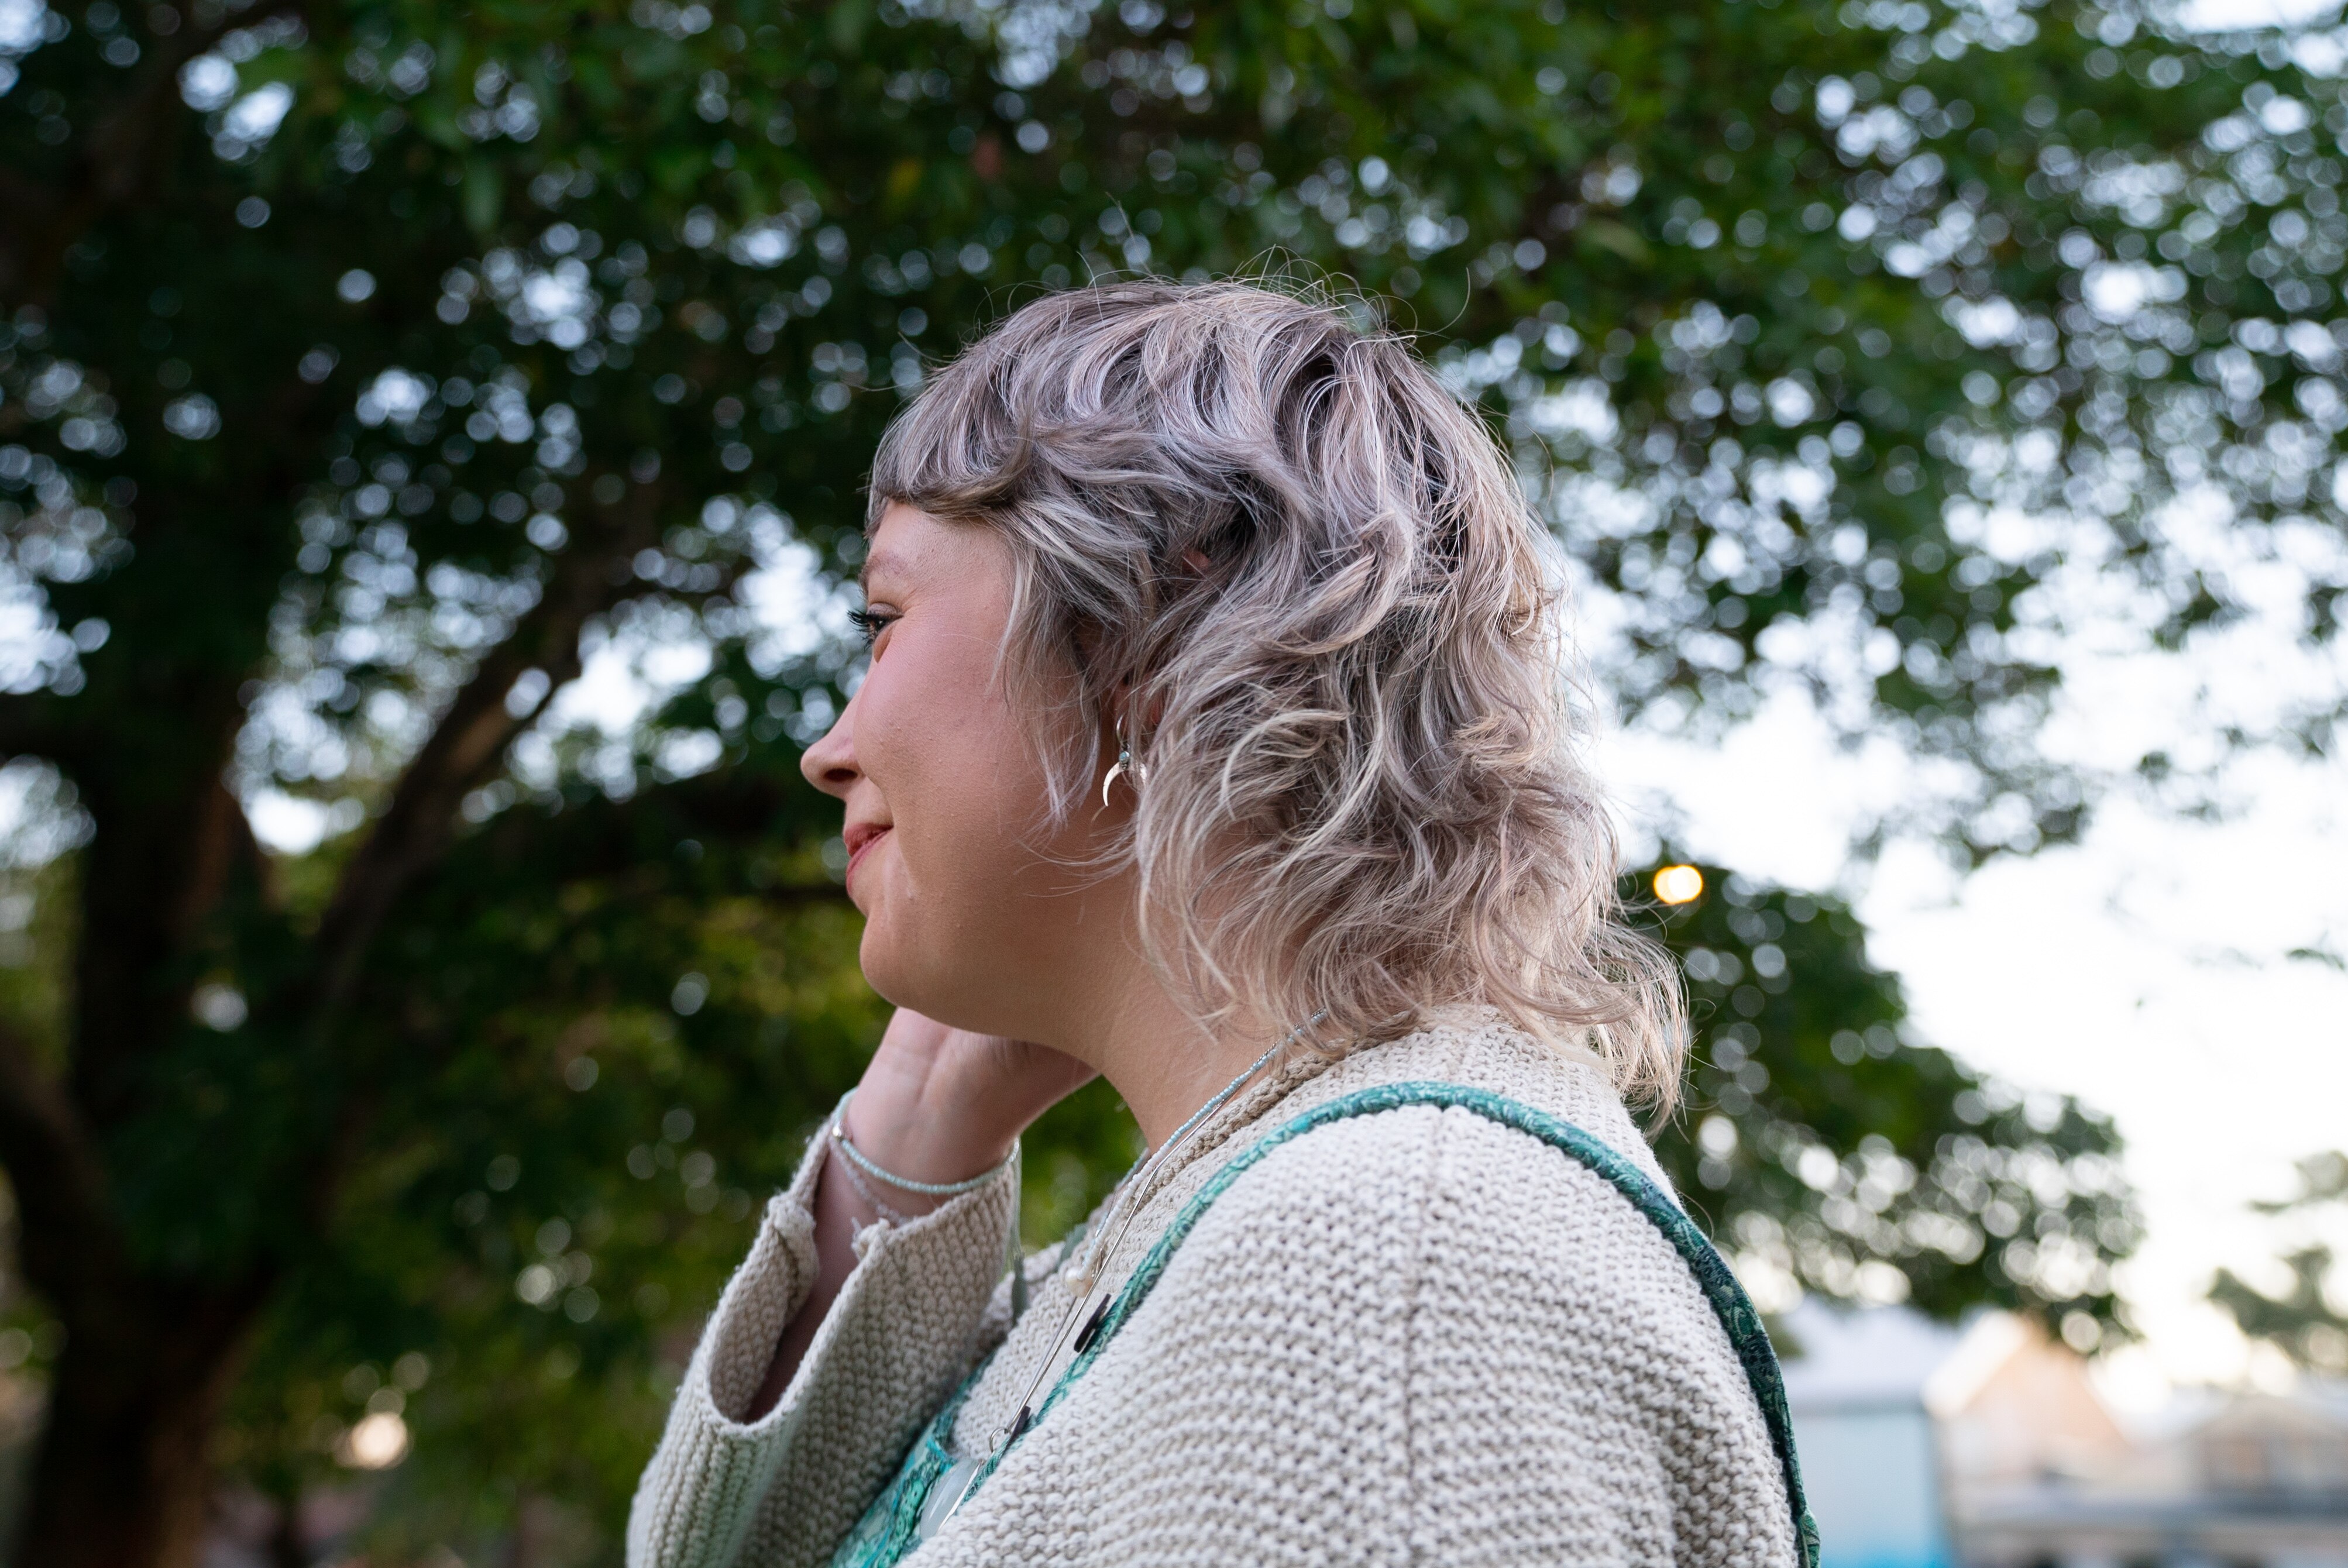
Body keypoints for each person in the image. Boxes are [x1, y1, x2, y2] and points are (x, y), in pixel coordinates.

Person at [626, 280, 1814, 1568]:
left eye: (883, 623)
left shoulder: (1378, 1275)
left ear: (1136, 635)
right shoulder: (1231, 1228)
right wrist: (914, 1129)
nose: (828, 749)